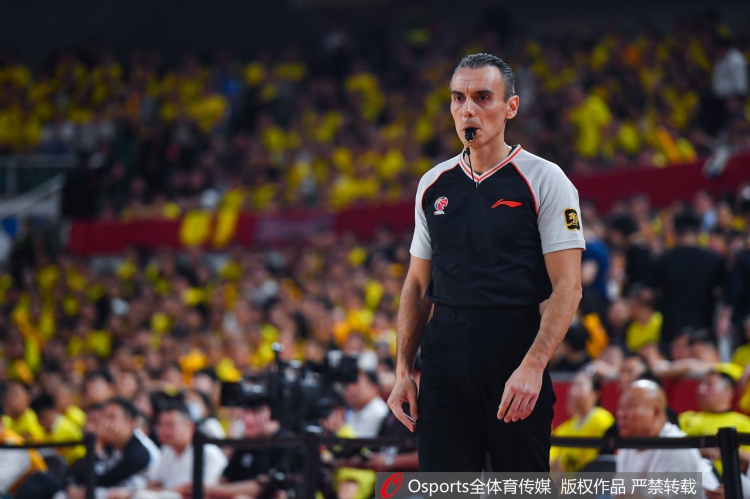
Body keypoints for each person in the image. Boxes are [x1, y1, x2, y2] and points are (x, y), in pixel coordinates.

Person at [387, 52, 585, 472]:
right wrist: (403, 370)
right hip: (444, 358)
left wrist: (534, 366)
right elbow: (417, 286)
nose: (467, 109)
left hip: (513, 348)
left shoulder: (546, 179)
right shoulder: (433, 183)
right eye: (458, 98)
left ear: (511, 106)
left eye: (482, 97)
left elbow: (568, 287)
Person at [616, 380, 720, 497]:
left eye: (629, 406)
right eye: (620, 407)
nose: (620, 414)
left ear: (655, 412)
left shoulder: (677, 447)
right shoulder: (627, 447)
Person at [129, 403, 226, 499]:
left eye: (170, 425)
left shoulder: (209, 453)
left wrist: (166, 491)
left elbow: (205, 491)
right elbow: (152, 484)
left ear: (190, 426)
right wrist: (172, 490)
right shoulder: (167, 451)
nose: (164, 430)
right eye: (161, 425)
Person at [549, 371, 613, 473]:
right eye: (572, 386)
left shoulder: (602, 421)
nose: (572, 392)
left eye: (579, 386)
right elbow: (551, 461)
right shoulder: (563, 429)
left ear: (594, 394)